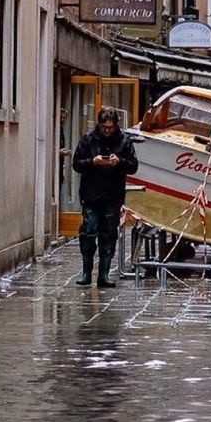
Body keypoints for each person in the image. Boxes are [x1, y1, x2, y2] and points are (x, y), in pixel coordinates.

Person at [71, 108, 139, 288]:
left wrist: (120, 162)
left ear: (115, 125)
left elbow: (133, 166)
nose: (107, 130)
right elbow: (76, 163)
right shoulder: (88, 140)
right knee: (88, 231)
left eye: (110, 127)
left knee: (108, 234)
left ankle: (104, 274)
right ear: (99, 125)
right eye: (103, 127)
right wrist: (92, 162)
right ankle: (86, 272)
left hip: (112, 195)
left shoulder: (124, 141)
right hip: (91, 194)